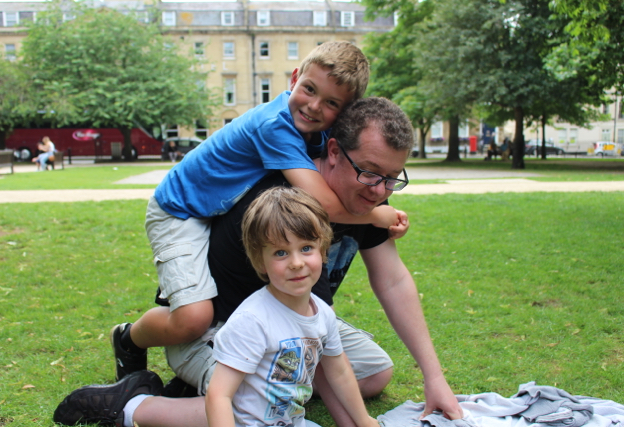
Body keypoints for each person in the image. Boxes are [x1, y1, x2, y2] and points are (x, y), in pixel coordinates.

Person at [52, 97, 463, 427]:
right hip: (216, 329)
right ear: (335, 151)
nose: (380, 191)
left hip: (291, 318)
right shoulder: (283, 208)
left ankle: (207, 390)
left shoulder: (366, 204)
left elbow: (392, 281)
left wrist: (434, 378)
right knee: (264, 404)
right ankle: (134, 405)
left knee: (374, 373)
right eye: (370, 173)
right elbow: (315, 354)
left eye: (392, 178)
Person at [109, 41, 401, 383]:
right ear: (294, 78)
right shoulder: (274, 125)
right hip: (180, 209)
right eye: (309, 89)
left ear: (344, 111)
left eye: (332, 103)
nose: (314, 106)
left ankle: (223, 353)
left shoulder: (316, 132)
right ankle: (129, 339)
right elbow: (322, 203)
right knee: (193, 317)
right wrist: (375, 216)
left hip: (215, 210)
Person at [205, 186, 379, 427]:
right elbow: (219, 395)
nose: (296, 263)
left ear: (323, 250)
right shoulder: (252, 320)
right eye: (280, 252)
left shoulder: (323, 314)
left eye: (306, 248)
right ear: (260, 261)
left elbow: (340, 373)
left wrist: (364, 420)